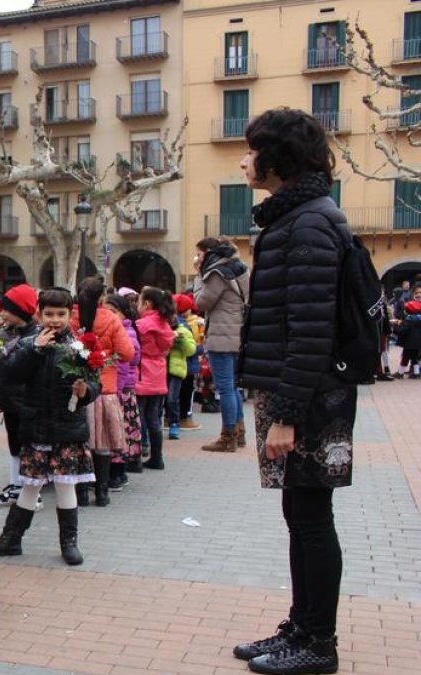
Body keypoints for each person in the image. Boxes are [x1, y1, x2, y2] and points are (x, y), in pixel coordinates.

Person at [233, 107, 354, 675]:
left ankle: (318, 644)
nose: (244, 160)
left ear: (277, 158)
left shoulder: (307, 225)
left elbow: (310, 331)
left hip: (308, 399)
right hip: (301, 394)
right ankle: (302, 627)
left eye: (252, 149)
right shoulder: (296, 218)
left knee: (310, 519)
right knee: (300, 514)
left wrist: (285, 414)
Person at [0, 288, 98, 565]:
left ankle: (69, 543)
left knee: (65, 486)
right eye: (49, 314)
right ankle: (11, 539)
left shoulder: (78, 345)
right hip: (36, 426)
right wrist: (35, 349)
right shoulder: (29, 343)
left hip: (68, 428)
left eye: (61, 314)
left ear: (70, 315)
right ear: (39, 314)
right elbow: (12, 374)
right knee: (30, 486)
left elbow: (94, 382)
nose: (55, 319)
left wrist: (85, 391)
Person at [73, 276, 136, 508]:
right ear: (102, 297)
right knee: (102, 444)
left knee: (80, 444)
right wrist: (107, 357)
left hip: (77, 389)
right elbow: (127, 353)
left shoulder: (70, 318)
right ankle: (102, 492)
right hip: (105, 388)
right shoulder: (110, 318)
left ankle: (80, 493)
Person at [0, 283, 42, 509]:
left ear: (20, 312)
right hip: (9, 399)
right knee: (14, 444)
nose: (2, 313)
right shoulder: (5, 333)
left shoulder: (36, 337)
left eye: (7, 309)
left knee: (28, 444)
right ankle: (15, 486)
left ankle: (32, 492)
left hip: (27, 401)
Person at [194, 236, 251, 452]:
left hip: (221, 336)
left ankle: (228, 437)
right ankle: (239, 432)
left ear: (209, 252)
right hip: (238, 334)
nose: (198, 258)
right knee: (233, 386)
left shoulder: (217, 273)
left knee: (225, 387)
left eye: (199, 254)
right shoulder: (241, 268)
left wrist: (199, 277)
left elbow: (201, 302)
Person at [135, 288, 176, 470]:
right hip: (158, 373)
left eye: (139, 301)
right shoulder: (165, 324)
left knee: (137, 417)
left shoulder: (141, 325)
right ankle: (157, 457)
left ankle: (135, 458)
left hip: (142, 372)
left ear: (147, 304)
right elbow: (166, 349)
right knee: (154, 418)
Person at [104, 294, 142, 487]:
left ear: (124, 313)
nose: (108, 316)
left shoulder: (124, 333)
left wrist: (116, 393)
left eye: (113, 312)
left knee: (118, 432)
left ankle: (116, 475)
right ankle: (119, 473)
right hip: (120, 389)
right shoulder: (123, 330)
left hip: (121, 391)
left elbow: (121, 367)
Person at [164, 301, 199, 441]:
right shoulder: (160, 328)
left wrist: (180, 341)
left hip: (176, 370)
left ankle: (174, 423)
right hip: (160, 369)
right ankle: (162, 422)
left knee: (172, 398)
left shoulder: (183, 329)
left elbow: (191, 350)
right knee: (161, 400)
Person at [177, 295, 206, 430]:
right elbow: (193, 346)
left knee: (176, 393)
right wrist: (201, 348)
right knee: (187, 393)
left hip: (176, 365)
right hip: (189, 364)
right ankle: (185, 418)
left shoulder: (172, 321)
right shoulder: (190, 323)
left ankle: (171, 418)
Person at [396, 296, 421, 379]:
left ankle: (400, 373)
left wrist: (396, 326)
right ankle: (416, 373)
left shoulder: (408, 319)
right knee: (415, 358)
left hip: (408, 343)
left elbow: (403, 330)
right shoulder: (419, 318)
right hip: (418, 343)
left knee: (405, 358)